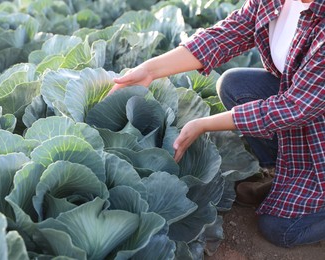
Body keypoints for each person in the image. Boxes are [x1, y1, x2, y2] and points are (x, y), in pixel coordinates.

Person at [109, 0, 324, 248]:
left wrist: (204, 124)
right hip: (309, 106)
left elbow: (295, 107)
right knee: (236, 86)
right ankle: (288, 179)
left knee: (281, 229)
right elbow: (226, 35)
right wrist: (149, 69)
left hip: (308, 109)